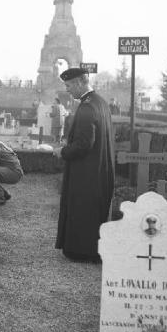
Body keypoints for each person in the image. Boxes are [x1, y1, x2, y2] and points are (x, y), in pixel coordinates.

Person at [53, 67, 115, 263]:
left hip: (86, 172)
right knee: (92, 211)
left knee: (82, 209)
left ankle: (81, 251)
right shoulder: (101, 102)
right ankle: (93, 250)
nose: (68, 89)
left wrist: (62, 151)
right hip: (99, 169)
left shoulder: (87, 107)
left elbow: (84, 144)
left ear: (81, 82)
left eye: (69, 85)